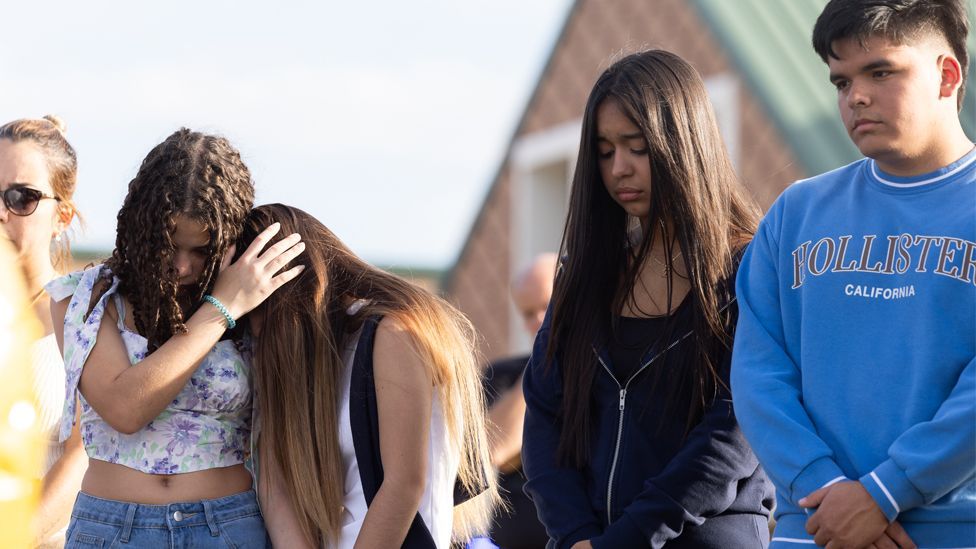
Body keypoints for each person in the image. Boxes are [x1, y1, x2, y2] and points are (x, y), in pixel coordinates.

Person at [731, 1, 975, 547]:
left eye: (880, 71)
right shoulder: (795, 213)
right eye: (841, 81)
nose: (855, 96)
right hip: (815, 528)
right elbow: (757, 375)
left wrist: (886, 493)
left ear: (947, 74)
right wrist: (828, 490)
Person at [520, 50, 773, 549]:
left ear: (683, 144)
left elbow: (733, 434)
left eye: (636, 147)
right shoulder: (586, 273)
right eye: (605, 149)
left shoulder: (751, 269)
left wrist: (625, 541)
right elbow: (545, 415)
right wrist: (574, 535)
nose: (619, 168)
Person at [46, 129, 304, 548]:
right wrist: (221, 310)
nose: (181, 267)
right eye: (168, 244)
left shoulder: (254, 301)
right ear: (140, 226)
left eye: (201, 250)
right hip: (112, 533)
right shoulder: (86, 298)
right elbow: (125, 409)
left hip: (228, 528)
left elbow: (276, 461)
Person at [238, 204, 499, 549]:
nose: (252, 332)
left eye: (254, 310)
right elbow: (276, 483)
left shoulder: (394, 332)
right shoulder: (309, 360)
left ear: (286, 285)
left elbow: (404, 484)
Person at [0, 115, 86, 547]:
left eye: (21, 197)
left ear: (62, 215)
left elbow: (81, 456)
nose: (1, 212)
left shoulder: (83, 317)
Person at [483, 253, 555, 548]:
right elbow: (491, 451)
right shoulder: (500, 376)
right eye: (528, 313)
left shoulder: (609, 378)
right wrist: (546, 360)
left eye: (548, 306)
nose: (539, 320)